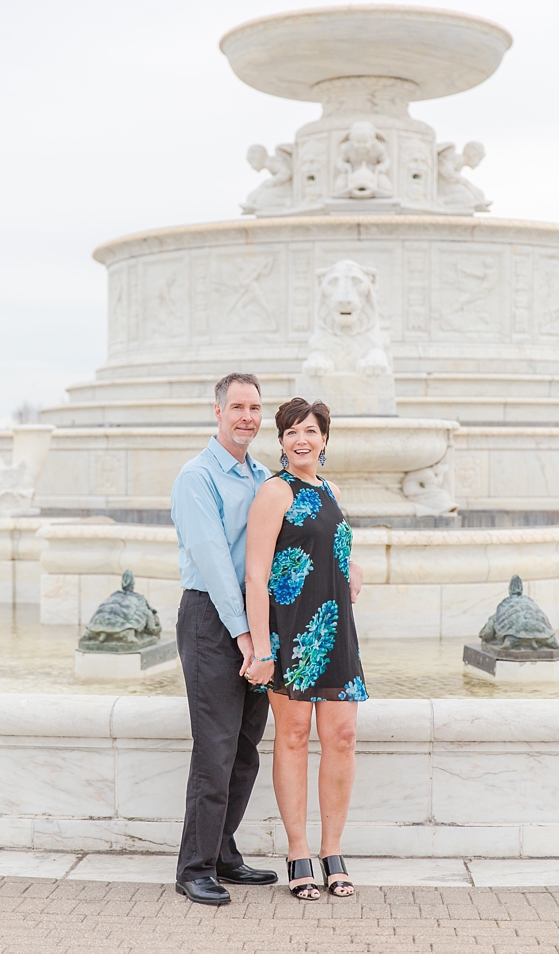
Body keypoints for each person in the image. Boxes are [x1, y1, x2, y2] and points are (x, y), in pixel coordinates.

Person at [243, 397, 367, 901]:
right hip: (288, 632)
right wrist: (261, 650)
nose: (302, 440)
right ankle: (298, 852)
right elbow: (255, 573)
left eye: (310, 431)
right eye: (292, 432)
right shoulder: (275, 492)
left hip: (335, 630)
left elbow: (333, 547)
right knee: (292, 737)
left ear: (324, 439)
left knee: (342, 736)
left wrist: (352, 567)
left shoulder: (332, 489)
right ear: (280, 442)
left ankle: (332, 850)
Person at [169, 373, 278, 906]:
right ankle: (194, 867)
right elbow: (213, 562)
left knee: (244, 746)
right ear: (217, 412)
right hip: (212, 619)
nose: (247, 417)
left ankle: (224, 852)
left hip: (253, 619)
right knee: (213, 747)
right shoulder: (197, 477)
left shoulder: (261, 476)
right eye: (237, 406)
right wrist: (244, 636)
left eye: (255, 408)